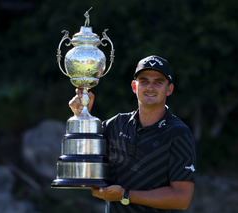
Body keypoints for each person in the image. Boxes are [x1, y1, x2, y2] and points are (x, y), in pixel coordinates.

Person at [69, 55, 196, 213]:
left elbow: (182, 198)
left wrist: (126, 195)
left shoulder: (179, 133)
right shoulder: (115, 125)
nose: (150, 87)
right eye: (144, 81)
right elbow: (83, 164)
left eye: (158, 82)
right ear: (134, 87)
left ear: (169, 89)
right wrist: (82, 118)